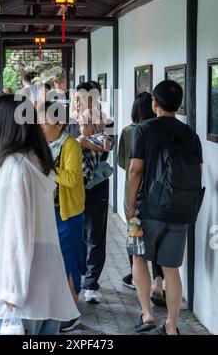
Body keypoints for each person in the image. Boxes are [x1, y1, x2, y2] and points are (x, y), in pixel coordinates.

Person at [0, 94, 80, 335]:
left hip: (20, 300)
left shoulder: (15, 167)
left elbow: (17, 234)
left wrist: (12, 293)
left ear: (7, 124)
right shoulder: (35, 160)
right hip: (44, 288)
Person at [128, 81, 203, 335]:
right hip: (181, 210)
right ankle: (172, 326)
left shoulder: (144, 130)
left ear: (154, 103)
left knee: (139, 257)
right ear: (178, 104)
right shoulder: (190, 133)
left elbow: (136, 170)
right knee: (171, 267)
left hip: (149, 209)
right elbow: (199, 172)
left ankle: (147, 314)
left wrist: (130, 209)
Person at [38, 101, 85, 332]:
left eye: (44, 122)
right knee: (53, 261)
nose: (41, 126)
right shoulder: (44, 145)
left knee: (67, 261)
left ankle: (72, 313)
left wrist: (46, 167)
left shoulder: (70, 146)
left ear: (59, 124)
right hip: (48, 213)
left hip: (67, 214)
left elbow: (72, 179)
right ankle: (60, 307)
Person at [118, 92, 166, 306]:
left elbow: (122, 163)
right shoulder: (158, 131)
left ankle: (137, 278)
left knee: (135, 241)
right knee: (158, 240)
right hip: (156, 194)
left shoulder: (128, 131)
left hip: (133, 195)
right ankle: (157, 281)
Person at [70, 82, 114, 303]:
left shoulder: (105, 121)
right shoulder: (67, 122)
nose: (78, 101)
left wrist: (84, 142)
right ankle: (77, 277)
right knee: (76, 232)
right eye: (76, 97)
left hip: (96, 187)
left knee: (95, 233)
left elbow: (107, 144)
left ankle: (91, 285)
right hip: (71, 187)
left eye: (83, 98)